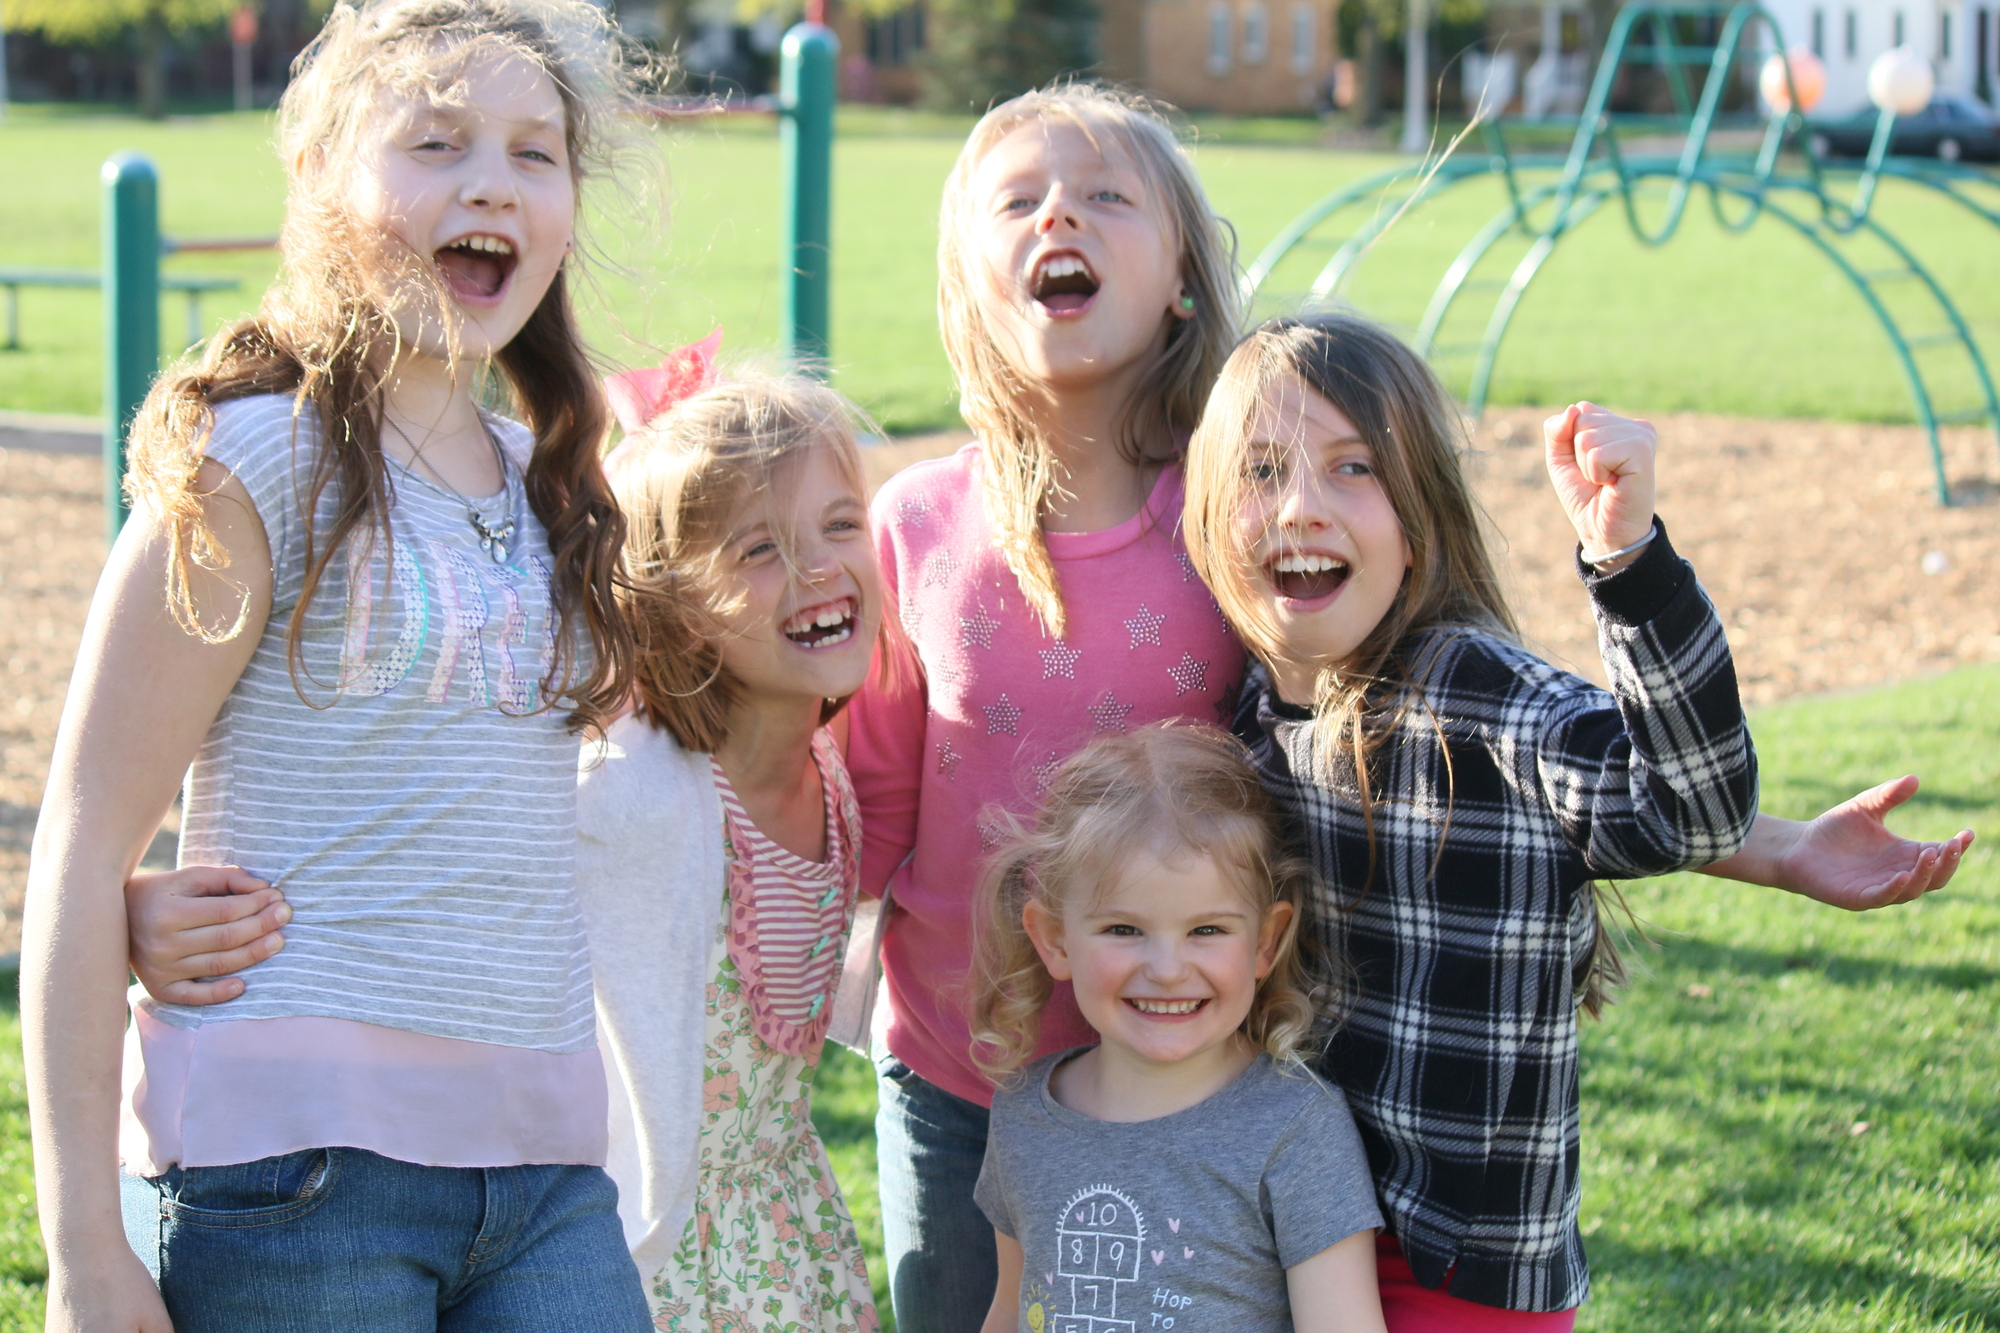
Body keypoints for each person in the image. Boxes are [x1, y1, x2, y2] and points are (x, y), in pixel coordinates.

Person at [843, 82, 1971, 1333]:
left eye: (1108, 193)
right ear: (963, 280)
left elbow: (1536, 772)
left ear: (1177, 275)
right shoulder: (924, 523)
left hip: (1228, 1084)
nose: (1062, 213)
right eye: (1020, 198)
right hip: (968, 1061)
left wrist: (1771, 842)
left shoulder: (1230, 533)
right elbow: (875, 800)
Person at [20, 3, 652, 1328]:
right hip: (303, 1173)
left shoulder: (561, 494)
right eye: (437, 141)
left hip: (547, 1174)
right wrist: (84, 1246)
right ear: (318, 178)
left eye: (537, 154)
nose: (492, 178)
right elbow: (82, 842)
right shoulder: (255, 464)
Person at [1178, 312, 1973, 1331]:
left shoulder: (1483, 694)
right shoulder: (1231, 721)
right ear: (1204, 519)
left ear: (1418, 521)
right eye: (1257, 471)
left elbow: (1684, 808)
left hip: (1454, 1256)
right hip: (1276, 1228)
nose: (1298, 506)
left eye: (1351, 469)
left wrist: (1625, 558)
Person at [575, 368, 883, 1331]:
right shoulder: (627, 795)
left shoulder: (830, 775)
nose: (820, 566)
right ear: (672, 607)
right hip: (641, 1257)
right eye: (761, 547)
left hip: (787, 1244)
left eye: (840, 524)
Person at [968, 725, 1388, 1333]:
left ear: (1265, 942)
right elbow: (1011, 1308)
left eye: (1207, 931)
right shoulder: (1023, 1117)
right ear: (1054, 940)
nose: (1167, 971)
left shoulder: (1296, 1129)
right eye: (1123, 930)